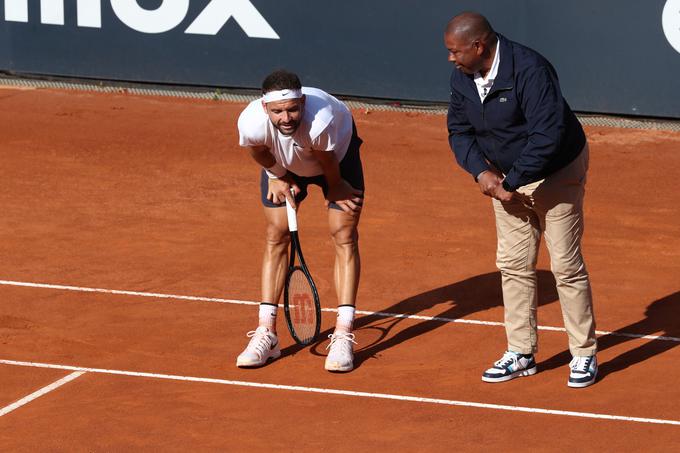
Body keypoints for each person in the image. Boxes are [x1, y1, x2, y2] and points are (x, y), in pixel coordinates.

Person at [444, 12, 598, 387]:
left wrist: (509, 181)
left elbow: (547, 136)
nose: (450, 58)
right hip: (505, 177)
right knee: (513, 264)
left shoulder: (531, 70)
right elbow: (458, 130)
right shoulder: (463, 76)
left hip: (555, 173)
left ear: (479, 46)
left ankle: (583, 354)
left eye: (455, 51)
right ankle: (521, 351)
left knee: (565, 264)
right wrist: (483, 174)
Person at [235, 69, 364, 372]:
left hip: (336, 160)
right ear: (264, 108)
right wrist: (278, 176)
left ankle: (344, 333)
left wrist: (336, 187)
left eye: (293, 109)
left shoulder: (321, 122)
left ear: (303, 102)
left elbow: (327, 162)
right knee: (276, 232)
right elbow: (258, 151)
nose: (286, 117)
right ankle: (267, 332)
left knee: (343, 233)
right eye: (278, 111)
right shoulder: (251, 123)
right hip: (283, 164)